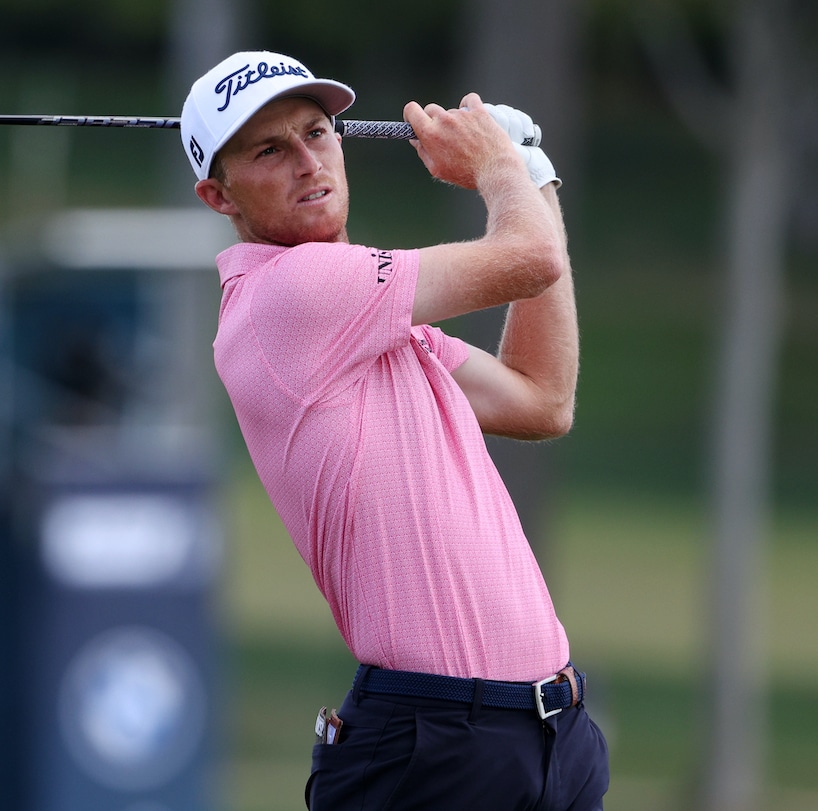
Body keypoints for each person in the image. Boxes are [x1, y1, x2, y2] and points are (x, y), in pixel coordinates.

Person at [181, 51, 610, 809]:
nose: (308, 162)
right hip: (435, 745)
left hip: (552, 736)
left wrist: (532, 174)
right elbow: (530, 255)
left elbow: (543, 399)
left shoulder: (374, 325)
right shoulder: (291, 294)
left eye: (317, 132)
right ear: (219, 194)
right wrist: (498, 168)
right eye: (269, 150)